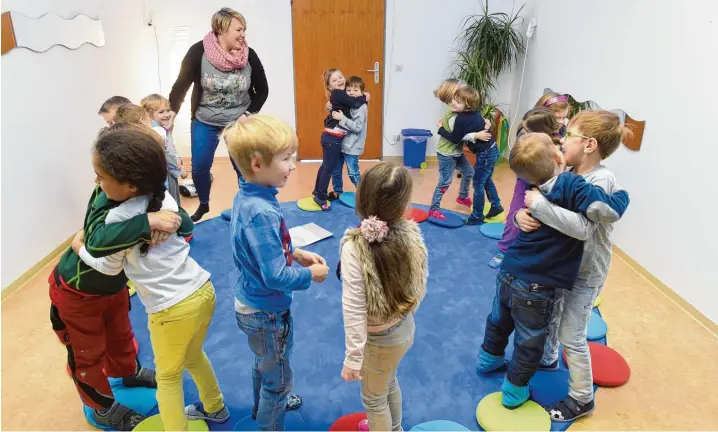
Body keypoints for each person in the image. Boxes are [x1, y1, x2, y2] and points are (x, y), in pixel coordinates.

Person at [74, 125, 228, 431]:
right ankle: (216, 407)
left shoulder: (118, 218)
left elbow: (108, 268)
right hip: (202, 290)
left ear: (129, 184)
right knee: (194, 355)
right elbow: (184, 227)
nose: (97, 182)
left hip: (171, 309)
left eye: (101, 177)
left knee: (168, 377)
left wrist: (80, 248)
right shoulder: (164, 200)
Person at [476, 132, 630, 409]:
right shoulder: (571, 182)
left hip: (509, 270)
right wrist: (622, 196)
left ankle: (488, 359)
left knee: (499, 319)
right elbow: (600, 210)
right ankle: (514, 391)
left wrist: (525, 211)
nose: (563, 141)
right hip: (536, 284)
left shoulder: (532, 187)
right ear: (558, 158)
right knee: (529, 340)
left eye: (568, 135)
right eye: (561, 141)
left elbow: (535, 210)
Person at [515, 111, 632, 421]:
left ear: (589, 144)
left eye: (569, 135)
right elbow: (540, 201)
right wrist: (522, 216)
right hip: (563, 266)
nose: (562, 140)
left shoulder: (601, 179)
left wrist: (539, 206)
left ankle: (581, 398)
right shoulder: (570, 170)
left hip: (586, 272)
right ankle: (549, 359)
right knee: (553, 316)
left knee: (572, 334)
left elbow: (583, 227)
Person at [223, 114, 329, 430]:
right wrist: (311, 275)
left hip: (250, 305)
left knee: (265, 362)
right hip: (267, 313)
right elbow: (275, 277)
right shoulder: (263, 213)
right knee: (278, 379)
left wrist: (295, 252)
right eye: (286, 159)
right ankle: (272, 405)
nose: (293, 165)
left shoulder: (249, 196)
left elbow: (260, 250)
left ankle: (263, 405)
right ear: (257, 163)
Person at [339, 162, 428, 431]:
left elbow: (353, 307)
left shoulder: (354, 248)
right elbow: (419, 282)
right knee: (388, 381)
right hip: (403, 330)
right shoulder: (412, 234)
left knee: (373, 399)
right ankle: (395, 427)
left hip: (379, 340)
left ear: (361, 198)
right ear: (404, 206)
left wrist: (353, 357)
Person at [169, 7, 269, 222]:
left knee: (244, 168)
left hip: (238, 121)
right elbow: (181, 86)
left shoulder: (249, 55)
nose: (243, 34)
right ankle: (204, 203)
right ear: (221, 29)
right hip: (205, 120)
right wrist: (171, 114)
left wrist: (249, 113)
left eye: (244, 29)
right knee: (200, 167)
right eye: (239, 29)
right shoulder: (198, 52)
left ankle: (246, 206)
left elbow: (262, 89)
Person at [488, 93, 571, 268]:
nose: (562, 121)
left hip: (547, 184)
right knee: (516, 213)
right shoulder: (527, 129)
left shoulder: (561, 136)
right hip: (525, 179)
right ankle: (504, 249)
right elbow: (518, 160)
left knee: (539, 218)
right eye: (558, 118)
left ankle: (534, 254)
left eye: (564, 117)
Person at [312, 69, 367, 210]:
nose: (339, 81)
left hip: (331, 137)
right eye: (335, 80)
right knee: (328, 168)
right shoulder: (338, 93)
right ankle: (320, 196)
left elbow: (350, 101)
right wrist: (365, 97)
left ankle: (317, 191)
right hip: (332, 138)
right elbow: (354, 102)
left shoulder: (339, 95)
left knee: (326, 166)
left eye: (341, 77)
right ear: (330, 87)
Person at [429, 85, 484, 220]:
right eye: (454, 99)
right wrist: (476, 136)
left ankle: (462, 197)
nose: (453, 103)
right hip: (446, 154)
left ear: (467, 106)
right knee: (445, 182)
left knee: (469, 172)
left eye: (458, 101)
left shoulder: (459, 113)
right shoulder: (455, 117)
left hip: (457, 153)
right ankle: (433, 209)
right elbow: (458, 138)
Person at [141, 94, 187, 205]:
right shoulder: (158, 132)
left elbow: (171, 147)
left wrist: (178, 157)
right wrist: (179, 171)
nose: (166, 115)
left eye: (168, 110)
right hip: (166, 174)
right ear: (149, 114)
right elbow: (167, 155)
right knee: (171, 202)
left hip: (163, 173)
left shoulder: (162, 128)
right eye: (161, 112)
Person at [328, 75, 368, 199]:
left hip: (352, 146)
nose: (351, 93)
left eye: (355, 91)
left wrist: (342, 119)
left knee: (353, 172)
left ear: (362, 93)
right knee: (336, 170)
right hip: (341, 142)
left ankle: (365, 195)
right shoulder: (348, 103)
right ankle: (337, 191)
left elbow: (358, 127)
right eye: (348, 90)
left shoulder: (361, 107)